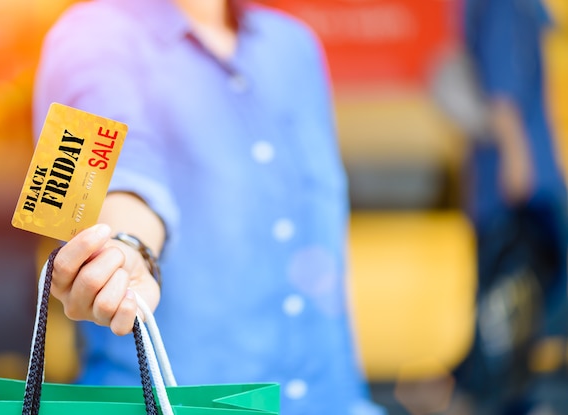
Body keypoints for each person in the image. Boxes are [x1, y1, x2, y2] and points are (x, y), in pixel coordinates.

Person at [32, 0, 384, 414]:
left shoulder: (293, 46)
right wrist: (125, 248)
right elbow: (115, 175)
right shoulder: (86, 36)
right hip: (168, 403)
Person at [432, 0, 568, 413]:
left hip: (516, 177)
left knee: (513, 297)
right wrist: (517, 158)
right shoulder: (505, 5)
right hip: (523, 183)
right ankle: (482, 395)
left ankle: (466, 390)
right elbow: (503, 88)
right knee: (515, 298)